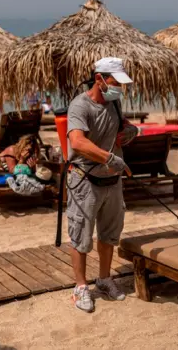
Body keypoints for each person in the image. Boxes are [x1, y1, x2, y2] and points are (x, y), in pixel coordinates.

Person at [66, 57, 139, 313]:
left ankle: (105, 278)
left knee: (109, 234)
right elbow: (78, 142)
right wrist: (111, 159)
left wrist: (132, 131)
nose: (119, 88)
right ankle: (81, 287)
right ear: (99, 79)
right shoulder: (80, 106)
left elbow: (124, 126)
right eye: (114, 82)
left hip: (112, 182)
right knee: (81, 236)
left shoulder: (115, 103)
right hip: (85, 181)